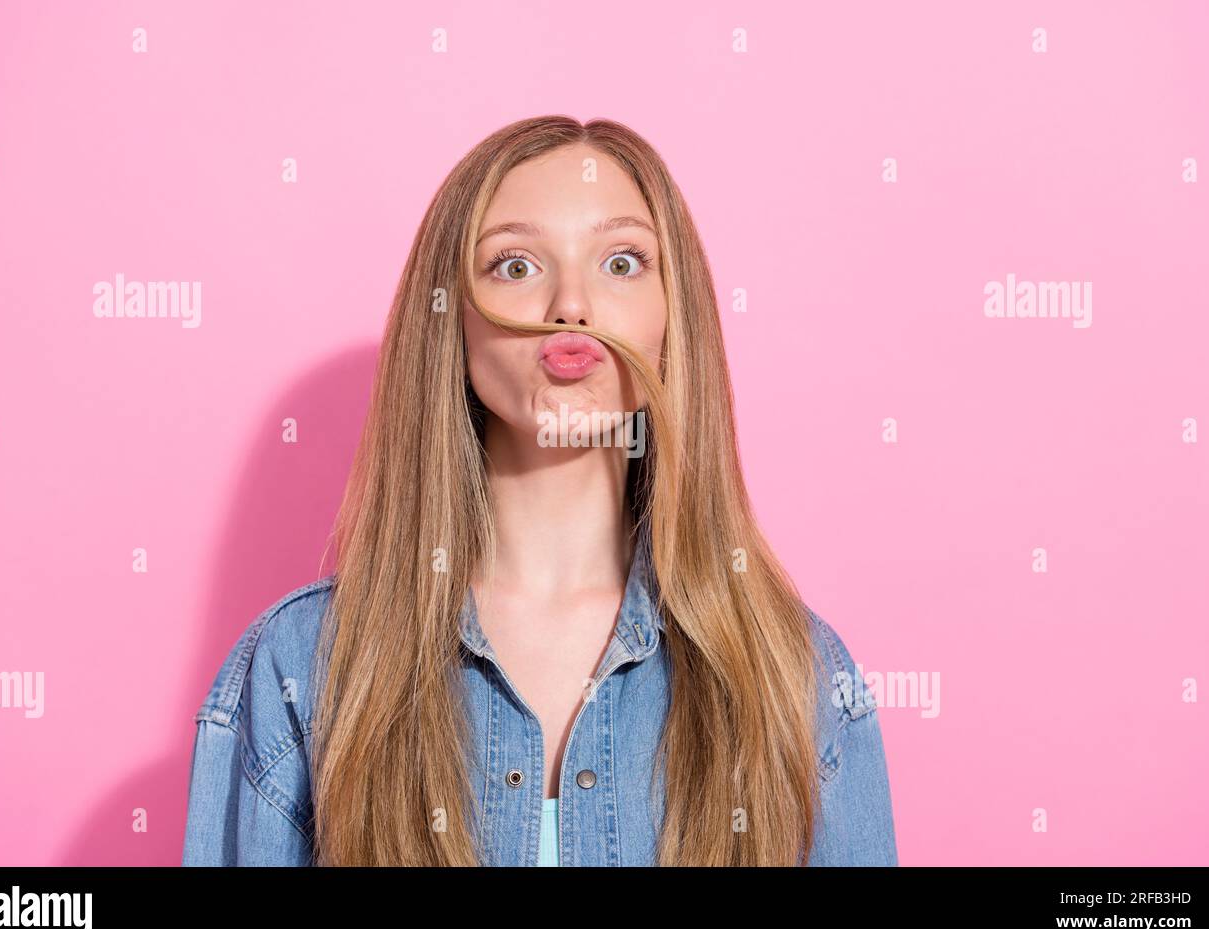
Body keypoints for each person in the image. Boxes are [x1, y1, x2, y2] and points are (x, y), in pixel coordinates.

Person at [181, 115, 898, 866]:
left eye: (621, 262)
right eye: (516, 266)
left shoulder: (797, 675)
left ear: (670, 318)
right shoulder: (300, 669)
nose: (571, 305)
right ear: (449, 322)